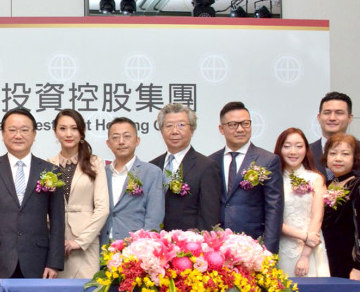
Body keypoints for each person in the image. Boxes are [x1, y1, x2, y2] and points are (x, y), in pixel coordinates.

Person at [0, 107, 65, 279]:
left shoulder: (51, 171)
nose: (18, 135)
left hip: (38, 260)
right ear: (3, 134)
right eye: (12, 130)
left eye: (24, 130)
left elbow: (58, 221)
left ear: (34, 134)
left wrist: (54, 263)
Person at [209, 101, 283, 252]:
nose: (240, 129)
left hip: (253, 246)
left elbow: (274, 210)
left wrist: (269, 251)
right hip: (218, 246)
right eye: (233, 125)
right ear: (221, 129)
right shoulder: (211, 161)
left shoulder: (268, 160)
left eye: (245, 123)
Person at [48, 109, 108, 278]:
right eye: (63, 128)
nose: (68, 134)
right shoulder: (47, 164)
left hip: (85, 243)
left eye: (74, 128)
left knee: (87, 290)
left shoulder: (95, 163)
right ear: (55, 132)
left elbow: (103, 208)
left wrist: (80, 242)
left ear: (82, 132)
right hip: (55, 245)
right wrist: (53, 241)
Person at [150, 103, 220, 231]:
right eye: (169, 126)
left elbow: (209, 217)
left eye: (181, 125)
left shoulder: (206, 166)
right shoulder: (152, 166)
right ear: (161, 131)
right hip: (155, 239)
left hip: (188, 241)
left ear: (192, 130)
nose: (175, 131)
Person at [273, 128, 330, 277]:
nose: (293, 152)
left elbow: (317, 217)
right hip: (281, 246)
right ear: (279, 149)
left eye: (299, 146)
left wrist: (305, 255)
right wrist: (303, 235)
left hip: (310, 247)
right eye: (287, 146)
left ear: (306, 149)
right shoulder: (273, 179)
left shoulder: (316, 178)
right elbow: (272, 219)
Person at [320, 133, 360, 281]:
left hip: (350, 265)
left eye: (345, 154)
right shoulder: (326, 185)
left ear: (354, 158)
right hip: (326, 261)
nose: (338, 158)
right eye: (333, 153)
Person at [100, 117, 164, 245]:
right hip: (102, 247)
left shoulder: (152, 173)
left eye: (127, 136)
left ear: (137, 141)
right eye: (115, 137)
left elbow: (154, 218)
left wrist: (143, 246)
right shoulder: (101, 173)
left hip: (134, 248)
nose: (121, 142)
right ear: (108, 143)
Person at [310, 91, 360, 193]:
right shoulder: (306, 152)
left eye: (339, 113)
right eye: (327, 112)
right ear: (319, 117)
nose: (332, 118)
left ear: (350, 118)